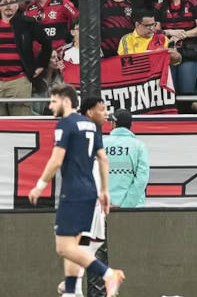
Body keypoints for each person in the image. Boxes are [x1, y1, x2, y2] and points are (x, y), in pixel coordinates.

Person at [26, 86, 125, 296]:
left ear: (66, 102)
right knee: (75, 245)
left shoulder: (66, 124)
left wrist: (39, 185)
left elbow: (56, 160)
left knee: (63, 247)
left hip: (73, 193)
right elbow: (103, 160)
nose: (51, 105)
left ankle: (108, 274)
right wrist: (105, 190)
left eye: (54, 101)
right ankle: (70, 292)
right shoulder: (91, 127)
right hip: (90, 192)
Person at [104, 109, 149, 209]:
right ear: (131, 125)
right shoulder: (139, 147)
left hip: (104, 207)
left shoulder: (101, 144)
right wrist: (126, 206)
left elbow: (94, 176)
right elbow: (141, 180)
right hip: (133, 209)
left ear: (114, 124)